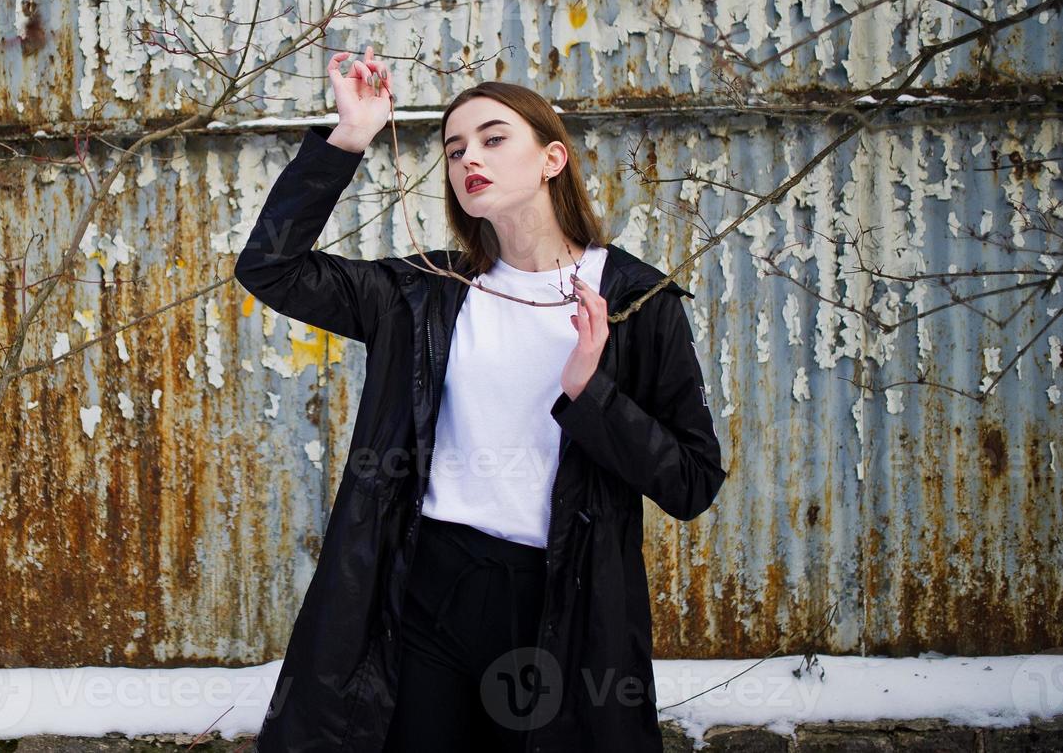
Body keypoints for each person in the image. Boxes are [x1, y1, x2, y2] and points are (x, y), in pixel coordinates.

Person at [234, 47, 727, 752]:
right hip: (427, 586)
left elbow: (691, 482)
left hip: (556, 600)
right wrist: (350, 137)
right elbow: (270, 268)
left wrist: (591, 393)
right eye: (455, 147)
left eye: (495, 138)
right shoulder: (423, 292)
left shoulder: (633, 302)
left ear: (551, 159)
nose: (471, 157)